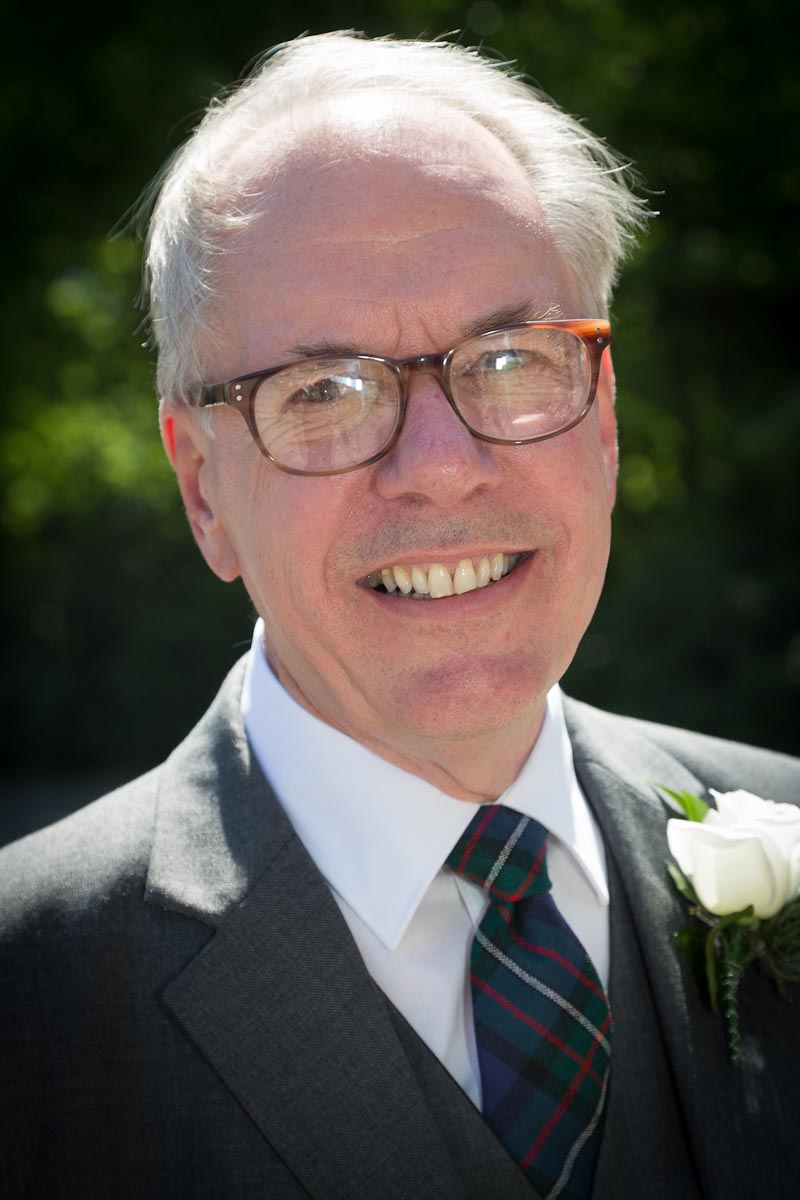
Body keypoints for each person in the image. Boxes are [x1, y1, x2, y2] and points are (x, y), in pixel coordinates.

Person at [1, 31, 797, 1200]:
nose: (438, 468)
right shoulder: (29, 988)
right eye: (321, 390)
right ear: (203, 490)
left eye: (511, 360)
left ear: (603, 420)